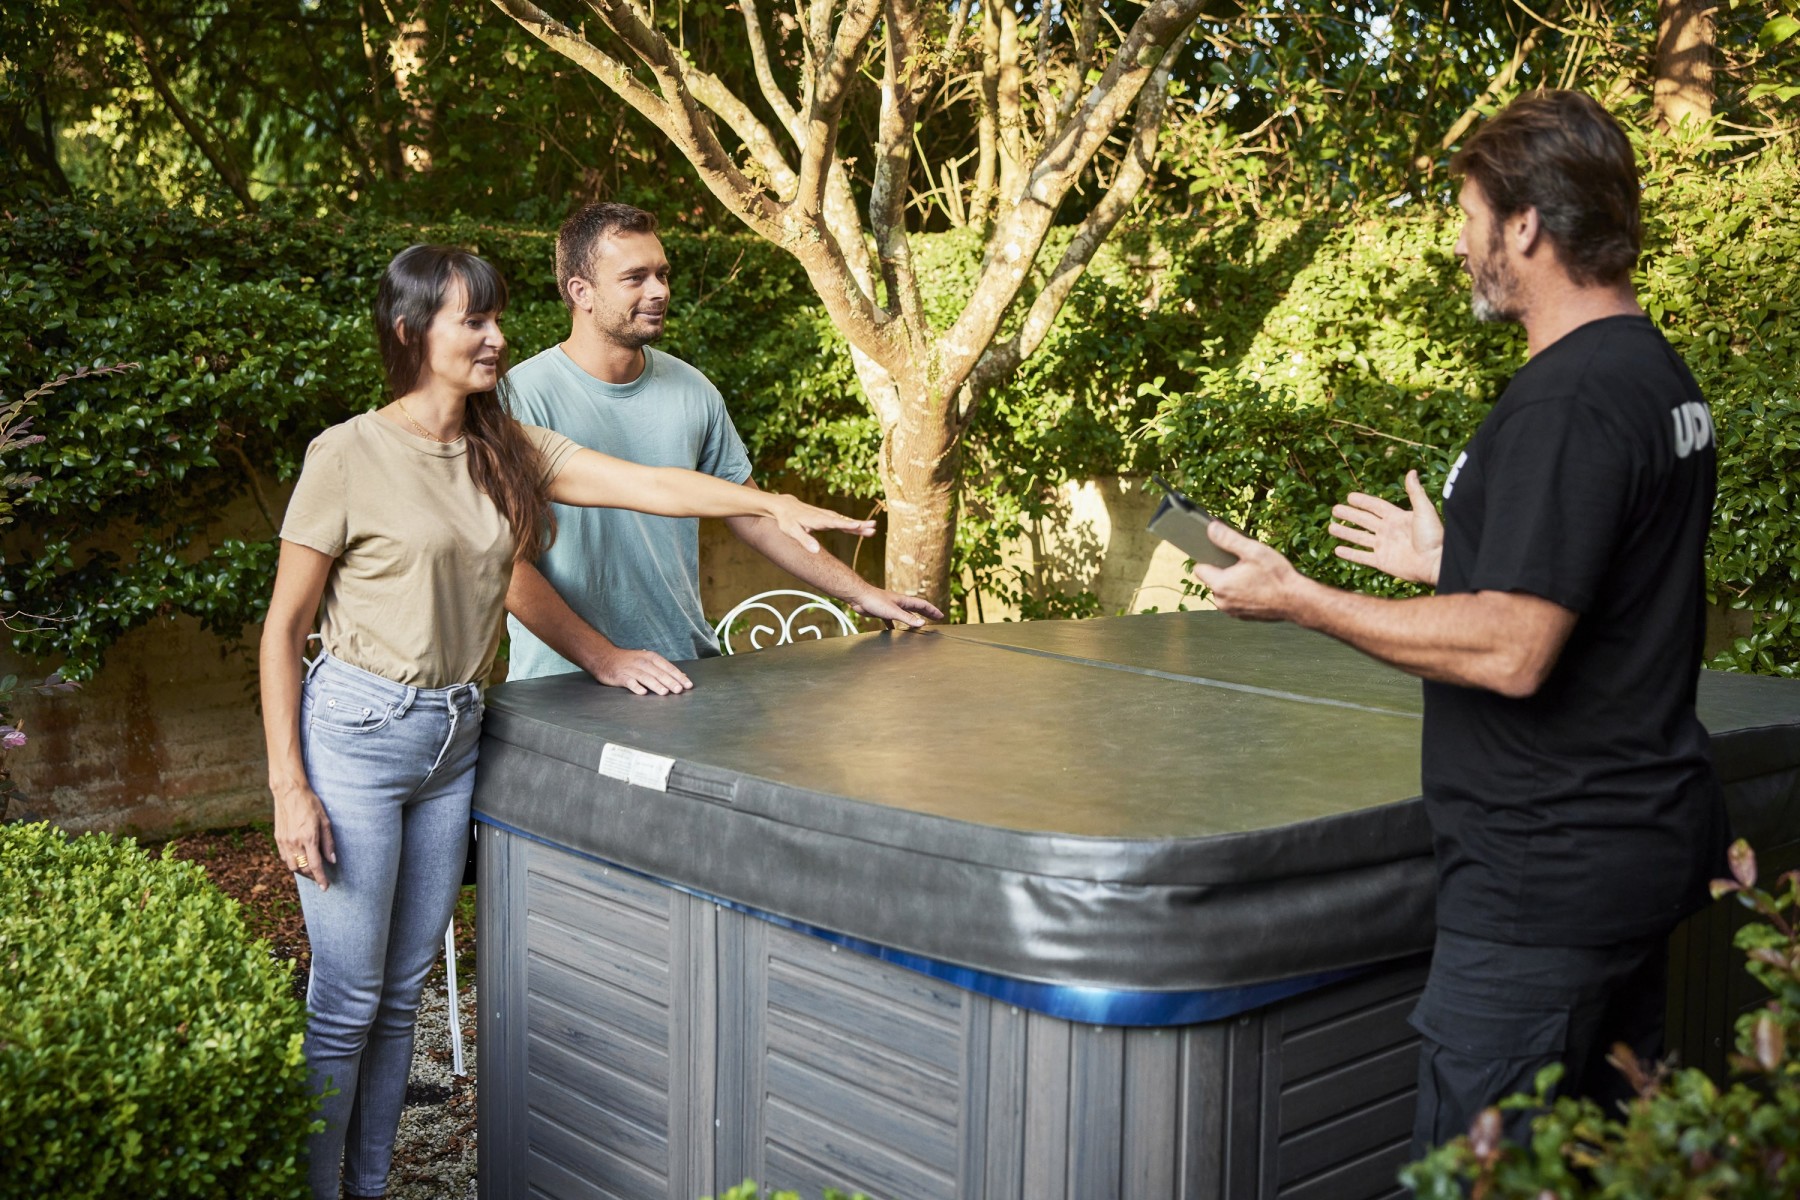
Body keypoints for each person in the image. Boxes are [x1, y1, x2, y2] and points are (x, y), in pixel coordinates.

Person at [259, 244, 873, 1200]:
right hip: (357, 733)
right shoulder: (347, 454)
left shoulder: (506, 447)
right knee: (346, 1002)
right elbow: (283, 629)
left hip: (455, 735)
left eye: (498, 318)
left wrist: (769, 499)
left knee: (402, 994)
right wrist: (288, 785)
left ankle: (368, 1187)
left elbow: (651, 484)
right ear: (411, 331)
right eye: (476, 321)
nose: (499, 337)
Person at [1188, 90, 1729, 1155]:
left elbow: (1514, 650)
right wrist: (1456, 563)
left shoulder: (1565, 402)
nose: (1460, 239)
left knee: (1482, 1175)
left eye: (1470, 212)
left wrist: (1297, 599)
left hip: (1544, 879)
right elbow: (1611, 577)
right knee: (1608, 1168)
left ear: (1525, 224)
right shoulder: (1652, 374)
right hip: (1636, 851)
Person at [501, 202, 941, 694]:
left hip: (682, 671)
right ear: (580, 291)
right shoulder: (519, 398)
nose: (660, 291)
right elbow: (503, 563)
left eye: (663, 274)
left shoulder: (693, 390)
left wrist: (861, 594)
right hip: (561, 687)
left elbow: (751, 515)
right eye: (635, 277)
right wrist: (604, 658)